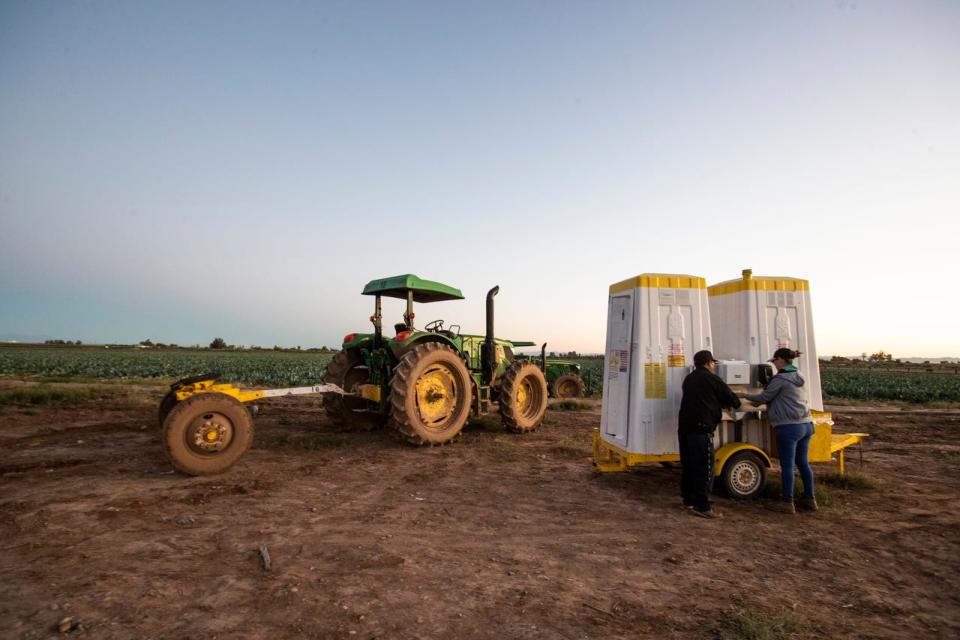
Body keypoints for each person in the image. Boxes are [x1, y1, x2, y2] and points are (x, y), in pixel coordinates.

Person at [737, 348, 817, 514]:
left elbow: (764, 397)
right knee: (803, 463)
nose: (773, 365)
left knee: (787, 465)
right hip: (806, 424)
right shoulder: (800, 376)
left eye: (774, 361)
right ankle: (810, 499)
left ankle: (787, 502)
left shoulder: (780, 378)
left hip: (789, 427)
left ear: (781, 360)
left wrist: (743, 394)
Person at [678, 350, 741, 518]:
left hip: (685, 428)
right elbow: (732, 399)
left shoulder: (689, 379)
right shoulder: (711, 378)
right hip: (702, 428)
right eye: (713, 363)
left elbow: (702, 397)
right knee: (705, 467)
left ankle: (689, 500)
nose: (714, 366)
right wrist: (734, 402)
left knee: (689, 465)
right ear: (708, 363)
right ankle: (703, 506)